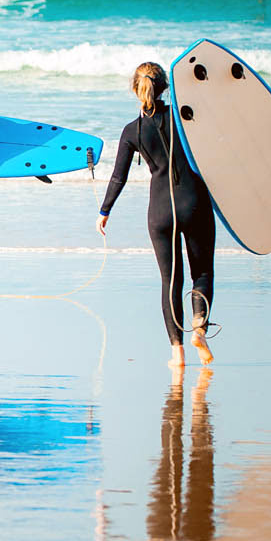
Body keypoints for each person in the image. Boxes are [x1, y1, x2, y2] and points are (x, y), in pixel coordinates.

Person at [96, 62, 215, 368]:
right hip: (194, 203)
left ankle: (177, 353)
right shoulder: (183, 115)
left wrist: (104, 211)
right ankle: (199, 326)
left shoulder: (131, 131)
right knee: (200, 272)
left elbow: (118, 177)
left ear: (135, 90)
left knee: (169, 281)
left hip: (159, 212)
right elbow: (228, 130)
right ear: (165, 88)